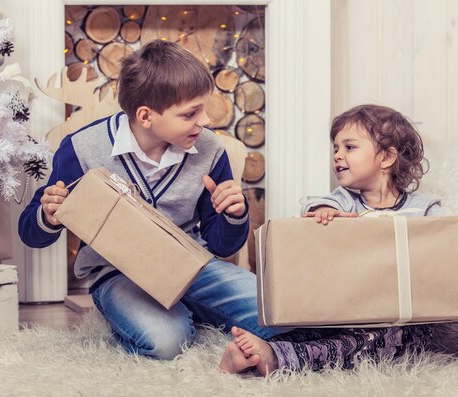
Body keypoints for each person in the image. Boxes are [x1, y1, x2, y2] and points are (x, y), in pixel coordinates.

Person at [18, 40, 288, 360]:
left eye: (204, 107)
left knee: (281, 313)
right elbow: (30, 233)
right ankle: (172, 315)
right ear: (146, 116)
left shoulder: (211, 149)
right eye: (190, 113)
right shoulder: (81, 148)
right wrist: (48, 215)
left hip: (193, 266)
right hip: (117, 274)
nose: (205, 121)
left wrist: (233, 214)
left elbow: (222, 246)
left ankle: (190, 308)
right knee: (166, 343)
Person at [219, 104, 458, 376]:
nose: (338, 156)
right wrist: (322, 214)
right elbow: (315, 206)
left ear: (387, 157)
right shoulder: (342, 201)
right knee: (309, 327)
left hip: (400, 321)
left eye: (349, 147)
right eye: (335, 148)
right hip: (343, 311)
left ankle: (275, 357)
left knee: (385, 340)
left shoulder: (422, 208)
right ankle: (256, 351)